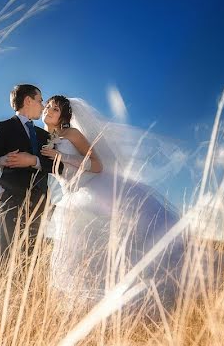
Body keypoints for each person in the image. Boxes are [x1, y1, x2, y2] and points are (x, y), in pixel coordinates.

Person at [36, 95, 185, 307]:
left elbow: (96, 165)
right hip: (70, 196)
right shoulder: (43, 138)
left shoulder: (72, 134)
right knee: (82, 253)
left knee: (108, 246)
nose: (49, 110)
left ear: (64, 116)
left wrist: (62, 157)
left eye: (55, 109)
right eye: (48, 106)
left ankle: (147, 293)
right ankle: (92, 303)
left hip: (93, 191)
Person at [0, 84, 60, 260]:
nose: (42, 106)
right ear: (28, 100)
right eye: (40, 101)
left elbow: (56, 166)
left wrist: (35, 161)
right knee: (8, 256)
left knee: (33, 259)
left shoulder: (43, 136)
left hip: (39, 204)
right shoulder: (3, 128)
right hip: (10, 202)